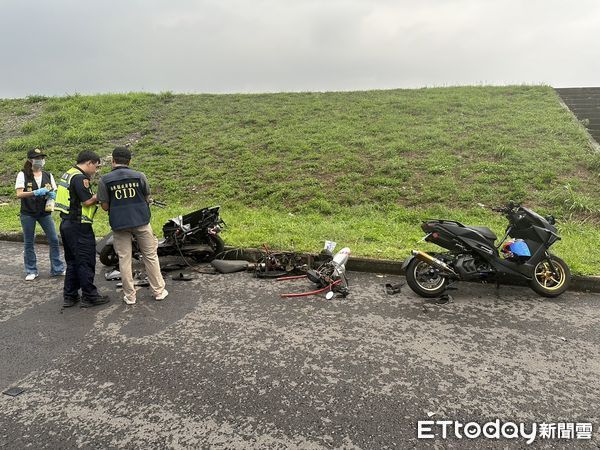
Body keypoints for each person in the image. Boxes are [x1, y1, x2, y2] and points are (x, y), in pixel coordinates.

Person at [97, 146, 168, 305]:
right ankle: (158, 291)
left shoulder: (104, 180)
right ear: (129, 161)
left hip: (119, 224)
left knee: (124, 259)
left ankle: (130, 296)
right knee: (150, 256)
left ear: (113, 161)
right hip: (141, 222)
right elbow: (146, 197)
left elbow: (105, 206)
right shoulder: (139, 176)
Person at [55, 150, 109, 308]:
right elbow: (87, 201)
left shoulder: (69, 173)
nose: (96, 170)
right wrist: (101, 195)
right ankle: (90, 296)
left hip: (67, 224)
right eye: (96, 167)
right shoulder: (80, 178)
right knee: (85, 260)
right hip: (79, 226)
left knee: (72, 261)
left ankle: (70, 296)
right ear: (89, 163)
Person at [15, 148, 65, 280]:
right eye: (37, 158)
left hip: (44, 212)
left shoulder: (48, 175)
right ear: (30, 160)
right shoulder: (23, 175)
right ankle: (31, 270)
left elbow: (54, 191)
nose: (40, 161)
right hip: (28, 213)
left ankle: (57, 268)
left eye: (42, 158)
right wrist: (35, 192)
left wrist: (52, 196)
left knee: (54, 239)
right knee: (29, 241)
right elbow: (19, 194)